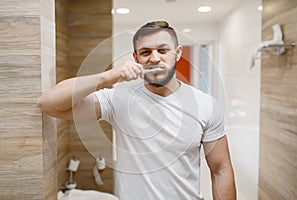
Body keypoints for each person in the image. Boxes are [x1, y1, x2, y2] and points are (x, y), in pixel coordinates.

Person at [38, 21, 236, 200]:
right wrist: (107, 77)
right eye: (146, 52)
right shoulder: (117, 98)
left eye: (163, 50)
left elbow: (221, 170)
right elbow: (49, 103)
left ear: (177, 53)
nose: (155, 58)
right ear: (136, 58)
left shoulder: (205, 105)